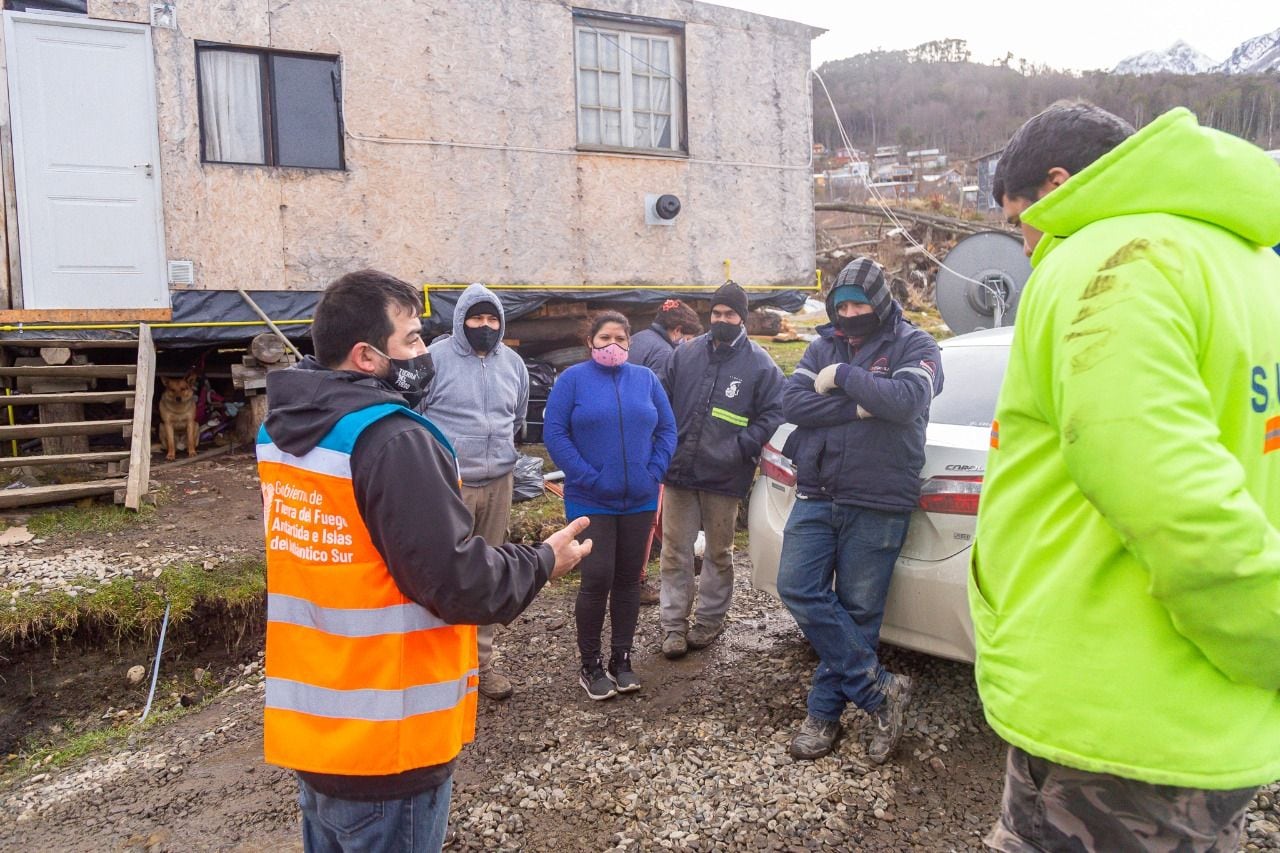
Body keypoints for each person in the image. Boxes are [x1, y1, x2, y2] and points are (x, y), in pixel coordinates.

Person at [975, 102, 1280, 851]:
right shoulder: (1251, 266)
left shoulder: (1107, 264)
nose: (1025, 244)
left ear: (1057, 184)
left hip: (1114, 720)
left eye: (1021, 220)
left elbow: (1168, 493)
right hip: (1206, 719)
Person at [257, 269, 591, 852]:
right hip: (390, 735)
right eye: (411, 340)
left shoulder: (285, 430)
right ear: (366, 356)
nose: (422, 353)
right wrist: (542, 560)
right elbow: (457, 582)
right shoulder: (391, 439)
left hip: (317, 726)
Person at [776, 257, 943, 764]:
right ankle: (879, 692)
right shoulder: (820, 343)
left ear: (880, 300)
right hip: (819, 489)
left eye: (858, 303)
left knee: (859, 611)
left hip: (878, 496)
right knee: (797, 587)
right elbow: (794, 405)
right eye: (840, 304)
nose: (849, 313)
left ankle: (823, 716)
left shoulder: (916, 345)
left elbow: (907, 400)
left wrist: (844, 376)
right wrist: (861, 405)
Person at [543, 311, 677, 700]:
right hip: (591, 498)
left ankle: (622, 659)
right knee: (597, 576)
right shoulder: (572, 380)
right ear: (591, 342)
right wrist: (585, 474)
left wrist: (654, 470)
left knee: (628, 580)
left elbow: (667, 429)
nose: (612, 345)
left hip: (638, 498)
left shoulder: (646, 380)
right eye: (604, 338)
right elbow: (555, 432)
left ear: (630, 342)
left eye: (620, 337)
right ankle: (590, 665)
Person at [659, 281, 784, 659]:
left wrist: (742, 447)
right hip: (680, 470)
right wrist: (665, 445)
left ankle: (709, 621)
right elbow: (662, 399)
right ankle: (673, 626)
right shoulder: (685, 355)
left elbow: (775, 412)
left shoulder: (760, 364)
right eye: (716, 314)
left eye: (730, 314)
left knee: (718, 553)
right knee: (674, 552)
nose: (722, 320)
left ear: (742, 318)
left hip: (725, 476)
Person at [420, 283, 529, 701]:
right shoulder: (434, 359)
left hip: (499, 482)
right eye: (476, 318)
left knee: (488, 570)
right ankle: (440, 663)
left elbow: (517, 416)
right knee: (444, 572)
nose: (484, 326)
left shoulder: (513, 363)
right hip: (449, 482)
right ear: (460, 319)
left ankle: (481, 663)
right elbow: (416, 415)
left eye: (491, 319)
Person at [627, 298, 702, 605]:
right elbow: (656, 404)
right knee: (647, 512)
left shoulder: (637, 339)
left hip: (620, 437)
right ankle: (638, 580)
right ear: (679, 330)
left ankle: (688, 555)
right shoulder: (664, 352)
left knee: (656, 513)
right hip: (644, 445)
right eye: (689, 339)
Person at [628, 298, 704, 384]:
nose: (687, 344)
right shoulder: (665, 352)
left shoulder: (637, 337)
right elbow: (656, 391)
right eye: (687, 339)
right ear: (677, 330)